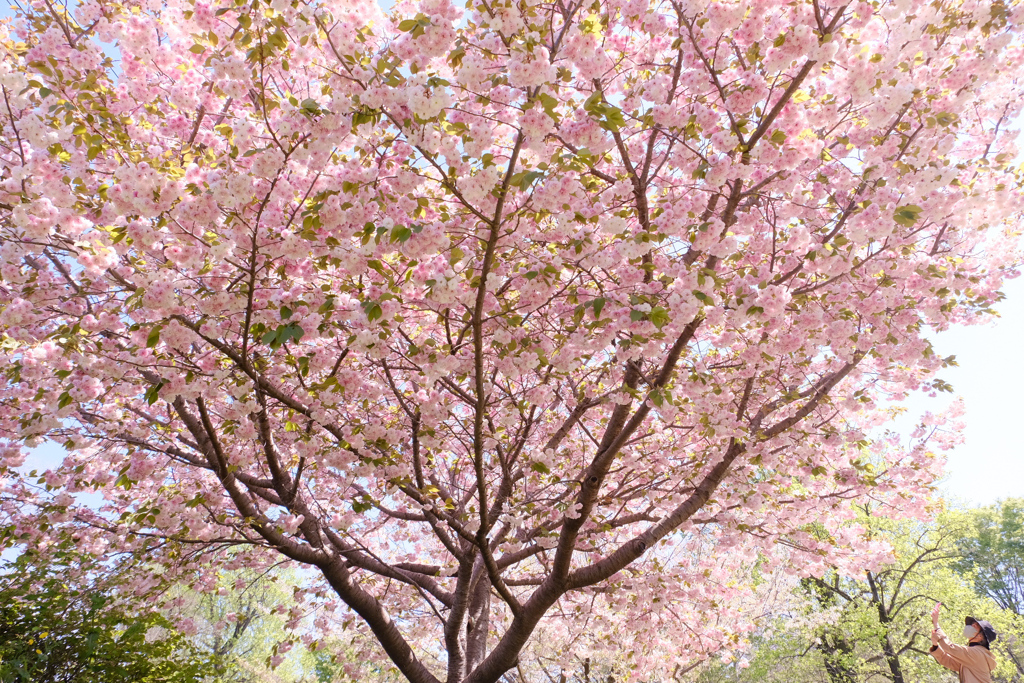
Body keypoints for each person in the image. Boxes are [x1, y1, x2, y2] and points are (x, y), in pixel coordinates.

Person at [929, 602, 997, 683]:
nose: (972, 625)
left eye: (976, 626)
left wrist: (936, 625)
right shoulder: (971, 658)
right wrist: (935, 645)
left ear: (980, 637)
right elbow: (947, 660)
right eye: (973, 624)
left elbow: (950, 647)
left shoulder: (977, 653)